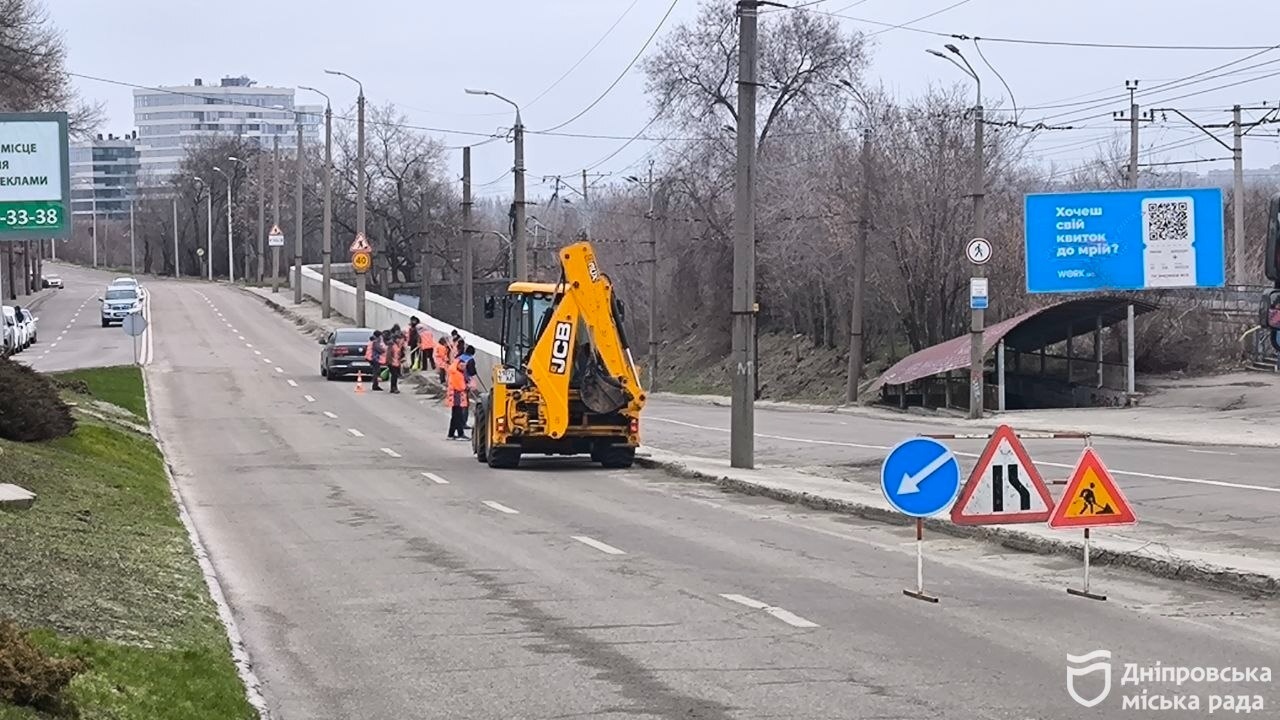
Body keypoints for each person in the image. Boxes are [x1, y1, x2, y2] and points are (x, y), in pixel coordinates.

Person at [446, 355, 469, 440]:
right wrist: (467, 387)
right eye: (462, 366)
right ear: (458, 365)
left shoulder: (455, 372)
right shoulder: (457, 374)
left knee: (455, 416)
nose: (464, 368)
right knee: (458, 416)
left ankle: (451, 434)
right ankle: (460, 434)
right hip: (457, 396)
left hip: (454, 396)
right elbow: (460, 387)